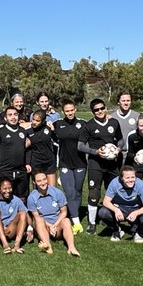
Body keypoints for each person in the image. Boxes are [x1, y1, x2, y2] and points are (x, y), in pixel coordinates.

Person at [78, 98, 122, 234]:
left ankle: (110, 219)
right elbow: (80, 146)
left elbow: (120, 140)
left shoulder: (114, 123)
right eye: (96, 109)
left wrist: (118, 148)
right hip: (95, 164)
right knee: (94, 193)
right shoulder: (89, 125)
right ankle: (92, 223)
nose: (100, 111)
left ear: (105, 108)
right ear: (92, 111)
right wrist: (95, 152)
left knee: (113, 192)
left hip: (112, 164)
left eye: (102, 108)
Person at [52, 99, 87, 229]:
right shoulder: (57, 124)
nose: (70, 113)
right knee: (69, 192)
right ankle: (76, 222)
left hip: (80, 163)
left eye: (72, 110)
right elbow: (39, 124)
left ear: (75, 109)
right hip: (64, 163)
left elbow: (94, 129)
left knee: (78, 192)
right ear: (63, 112)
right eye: (67, 111)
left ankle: (74, 213)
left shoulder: (83, 123)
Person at [26, 171, 79, 255]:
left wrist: (54, 225)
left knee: (66, 220)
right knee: (39, 220)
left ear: (47, 179)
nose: (43, 183)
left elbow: (64, 212)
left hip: (57, 226)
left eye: (44, 179)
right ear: (34, 182)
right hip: (43, 227)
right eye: (39, 181)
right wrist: (50, 226)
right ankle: (48, 245)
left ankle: (71, 247)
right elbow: (36, 217)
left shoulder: (57, 193)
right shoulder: (31, 198)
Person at [98, 164, 143, 242]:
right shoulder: (115, 183)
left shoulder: (140, 184)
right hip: (120, 208)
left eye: (133, 177)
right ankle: (117, 229)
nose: (131, 180)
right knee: (103, 212)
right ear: (121, 178)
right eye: (127, 178)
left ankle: (138, 232)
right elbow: (106, 201)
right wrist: (116, 210)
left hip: (135, 208)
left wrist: (136, 213)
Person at [0, 106, 31, 200]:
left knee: (22, 197)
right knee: (6, 196)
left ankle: (22, 214)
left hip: (21, 170)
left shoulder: (23, 131)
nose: (13, 117)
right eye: (10, 115)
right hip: (5, 170)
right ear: (5, 118)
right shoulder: (0, 132)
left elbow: (28, 148)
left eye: (15, 114)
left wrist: (27, 163)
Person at [25, 109, 58, 187]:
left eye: (37, 120)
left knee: (52, 190)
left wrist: (53, 131)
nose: (34, 122)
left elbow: (57, 141)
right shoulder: (28, 131)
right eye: (33, 119)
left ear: (43, 121)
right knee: (38, 190)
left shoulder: (49, 127)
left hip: (49, 163)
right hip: (36, 164)